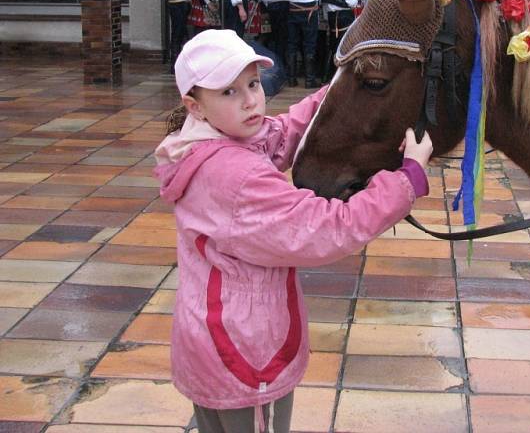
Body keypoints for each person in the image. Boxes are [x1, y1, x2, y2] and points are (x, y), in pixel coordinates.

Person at [153, 29, 432, 433]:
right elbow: (327, 227)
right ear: (194, 105)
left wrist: (340, 89)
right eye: (229, 92)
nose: (250, 100)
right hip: (244, 350)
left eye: (252, 83)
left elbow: (281, 133)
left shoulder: (204, 143)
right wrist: (408, 179)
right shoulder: (235, 178)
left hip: (208, 338)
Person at [321, 0, 358, 82]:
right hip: (344, 19)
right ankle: (342, 78)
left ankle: (327, 76)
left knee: (332, 47)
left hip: (331, 18)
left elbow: (324, 2)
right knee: (345, 48)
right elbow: (352, 3)